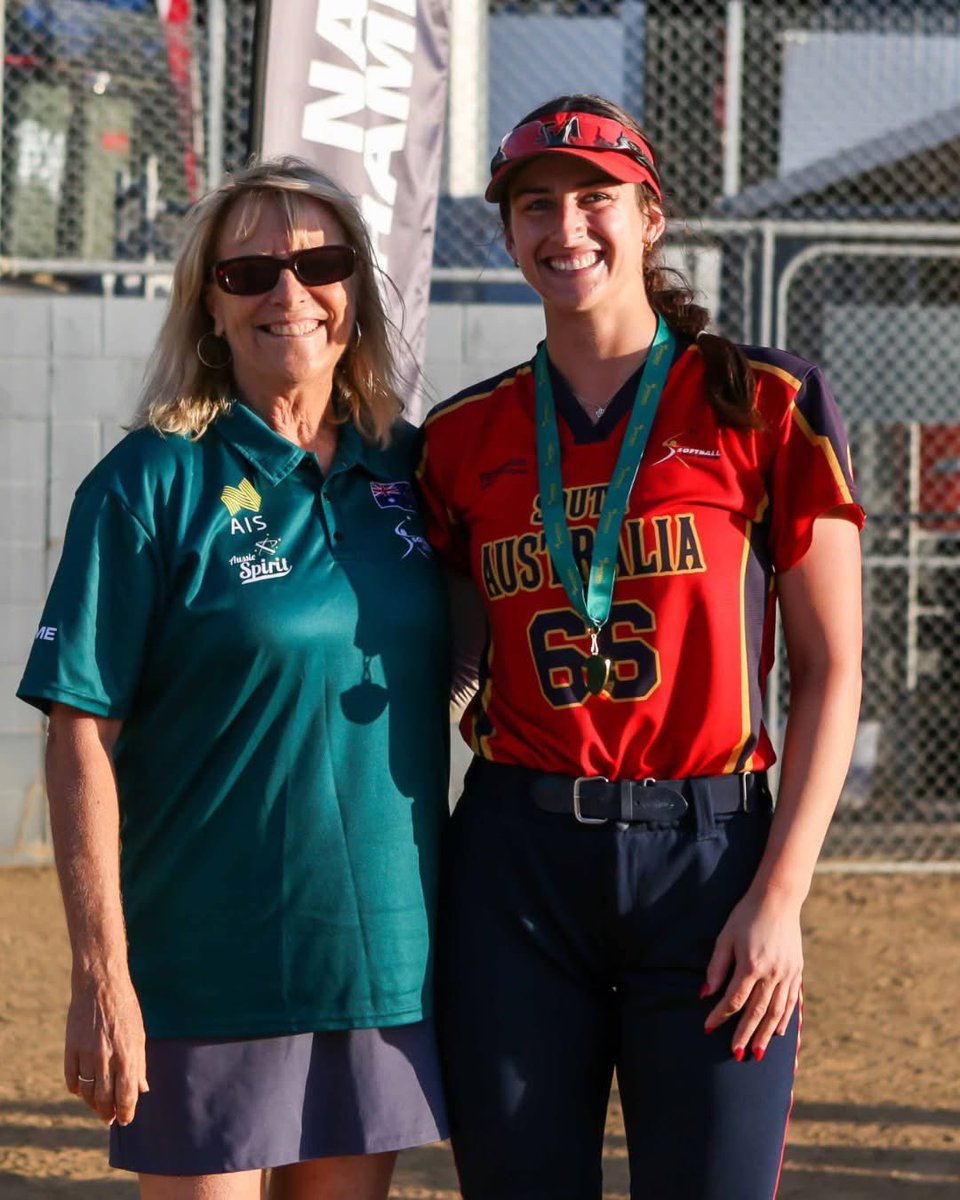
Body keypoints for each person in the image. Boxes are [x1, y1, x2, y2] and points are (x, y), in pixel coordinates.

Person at [417, 95, 864, 1200]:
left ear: (649, 217)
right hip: (518, 858)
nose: (566, 226)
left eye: (594, 198)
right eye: (535, 204)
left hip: (710, 859)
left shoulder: (765, 401)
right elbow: (445, 653)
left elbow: (832, 670)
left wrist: (780, 898)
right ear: (508, 232)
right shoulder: (461, 436)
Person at [17, 157, 450, 1200]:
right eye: (249, 270)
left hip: (381, 965)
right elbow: (79, 736)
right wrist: (100, 977)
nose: (287, 294)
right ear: (208, 307)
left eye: (320, 263)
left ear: (356, 296)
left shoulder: (416, 470)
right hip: (212, 965)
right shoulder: (149, 483)